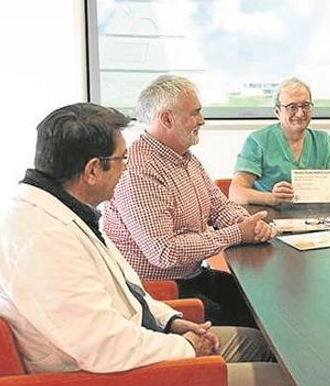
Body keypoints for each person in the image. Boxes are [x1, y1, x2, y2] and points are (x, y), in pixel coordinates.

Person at [0, 103, 299, 386]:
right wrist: (187, 348)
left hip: (142, 339)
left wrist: (171, 322)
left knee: (261, 344)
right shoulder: (43, 239)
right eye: (121, 160)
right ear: (92, 170)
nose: (125, 168)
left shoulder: (63, 210)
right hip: (115, 383)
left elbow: (125, 289)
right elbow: (103, 347)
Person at [104, 75, 277, 327]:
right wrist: (238, 233)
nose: (202, 120)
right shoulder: (140, 172)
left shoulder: (185, 158)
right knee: (259, 321)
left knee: (263, 300)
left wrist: (245, 221)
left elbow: (218, 205)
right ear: (166, 119)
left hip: (192, 276)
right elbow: (165, 252)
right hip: (161, 293)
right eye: (195, 113)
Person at [229, 77, 330, 206]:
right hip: (271, 219)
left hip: (318, 219)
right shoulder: (257, 141)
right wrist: (271, 198)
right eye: (292, 107)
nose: (300, 114)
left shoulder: (324, 141)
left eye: (305, 106)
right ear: (277, 112)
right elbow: (236, 193)